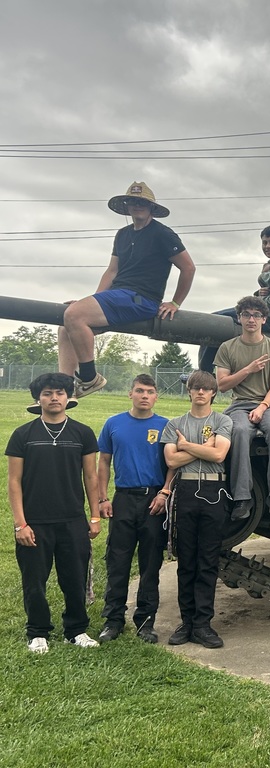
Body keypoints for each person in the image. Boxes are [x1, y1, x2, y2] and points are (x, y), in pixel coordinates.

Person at [58, 182, 196, 398]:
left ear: (151, 208)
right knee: (65, 326)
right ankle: (64, 389)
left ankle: (89, 378)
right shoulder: (122, 234)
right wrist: (91, 301)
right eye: (132, 201)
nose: (137, 205)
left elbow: (188, 267)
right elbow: (112, 271)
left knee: (74, 314)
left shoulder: (162, 234)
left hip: (142, 299)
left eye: (142, 202)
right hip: (118, 296)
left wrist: (175, 302)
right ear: (126, 206)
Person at [6, 373, 101, 653]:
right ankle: (37, 632)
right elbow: (14, 482)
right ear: (39, 398)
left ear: (68, 397)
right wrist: (20, 524)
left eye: (59, 392)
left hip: (73, 521)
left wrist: (94, 516)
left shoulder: (83, 433)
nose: (54, 398)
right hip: (35, 522)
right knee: (34, 581)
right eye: (47, 393)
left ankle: (76, 630)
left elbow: (91, 477)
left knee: (74, 579)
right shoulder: (23, 434)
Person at [96, 374, 171, 645]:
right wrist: (102, 498)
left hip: (153, 501)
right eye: (139, 390)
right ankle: (113, 620)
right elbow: (103, 462)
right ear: (130, 394)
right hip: (123, 499)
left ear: (156, 397)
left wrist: (165, 492)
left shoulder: (164, 425)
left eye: (149, 391)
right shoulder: (114, 424)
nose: (144, 396)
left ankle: (145, 621)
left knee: (151, 563)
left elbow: (173, 463)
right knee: (118, 561)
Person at [161, 371, 232, 649]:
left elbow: (219, 454)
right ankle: (187, 623)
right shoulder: (175, 423)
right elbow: (171, 460)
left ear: (213, 393)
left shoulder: (222, 421)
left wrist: (186, 446)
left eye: (206, 388)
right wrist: (204, 446)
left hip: (214, 491)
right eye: (196, 388)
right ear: (189, 391)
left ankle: (203, 624)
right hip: (187, 490)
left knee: (208, 560)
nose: (200, 392)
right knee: (187, 560)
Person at [213, 296, 270, 521]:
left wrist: (263, 407)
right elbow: (222, 385)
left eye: (256, 315)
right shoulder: (227, 348)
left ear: (264, 319)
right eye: (246, 314)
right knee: (238, 431)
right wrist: (248, 369)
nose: (251, 319)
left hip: (269, 403)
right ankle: (242, 497)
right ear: (239, 318)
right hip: (239, 404)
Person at [198, 225, 270, 373]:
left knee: (215, 322)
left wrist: (260, 300)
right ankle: (206, 373)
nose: (268, 246)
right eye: (265, 242)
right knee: (217, 322)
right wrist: (261, 292)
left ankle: (204, 374)